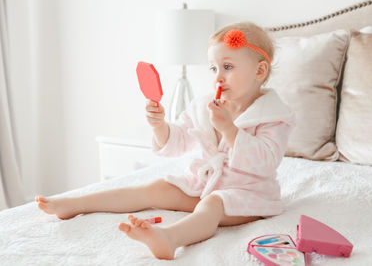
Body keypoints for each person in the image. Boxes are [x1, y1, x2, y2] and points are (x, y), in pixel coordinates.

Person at [35, 21, 295, 260]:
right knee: (156, 187)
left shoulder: (274, 116)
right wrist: (160, 126)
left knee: (212, 205)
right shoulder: (205, 105)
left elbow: (266, 162)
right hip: (206, 184)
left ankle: (169, 238)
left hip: (248, 194)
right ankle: (76, 204)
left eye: (227, 67)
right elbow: (179, 140)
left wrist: (228, 129)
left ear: (259, 71)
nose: (217, 77)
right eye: (213, 68)